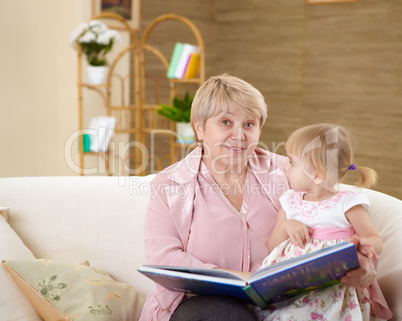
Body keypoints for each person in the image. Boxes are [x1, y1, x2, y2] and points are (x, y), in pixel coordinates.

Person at [139, 75, 377, 321]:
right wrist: (243, 280)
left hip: (284, 305)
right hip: (200, 305)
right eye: (225, 122)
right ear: (199, 127)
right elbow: (165, 259)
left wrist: (362, 265)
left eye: (249, 124)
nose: (239, 135)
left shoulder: (291, 172)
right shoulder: (169, 184)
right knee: (222, 313)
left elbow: (335, 221)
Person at [254, 123, 392, 321]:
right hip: (291, 287)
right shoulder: (289, 201)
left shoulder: (347, 203)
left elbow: (374, 239)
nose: (285, 167)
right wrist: (286, 226)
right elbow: (273, 247)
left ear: (317, 175)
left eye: (292, 163)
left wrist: (363, 246)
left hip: (332, 288)